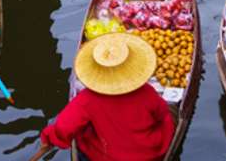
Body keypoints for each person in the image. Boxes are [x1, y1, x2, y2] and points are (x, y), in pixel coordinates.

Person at [39, 33, 173, 161]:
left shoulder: (87, 99)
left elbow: (64, 128)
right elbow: (162, 114)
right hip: (148, 156)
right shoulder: (146, 92)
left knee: (83, 138)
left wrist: (49, 138)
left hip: (105, 157)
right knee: (169, 117)